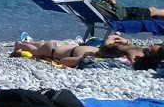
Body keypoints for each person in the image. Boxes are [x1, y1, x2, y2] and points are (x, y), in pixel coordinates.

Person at [13, 32, 163, 69]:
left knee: (34, 49)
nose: (146, 47)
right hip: (66, 48)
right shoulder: (136, 54)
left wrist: (108, 42)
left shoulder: (133, 56)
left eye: (149, 49)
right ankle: (21, 44)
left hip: (62, 49)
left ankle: (20, 44)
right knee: (37, 48)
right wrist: (126, 42)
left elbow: (131, 56)